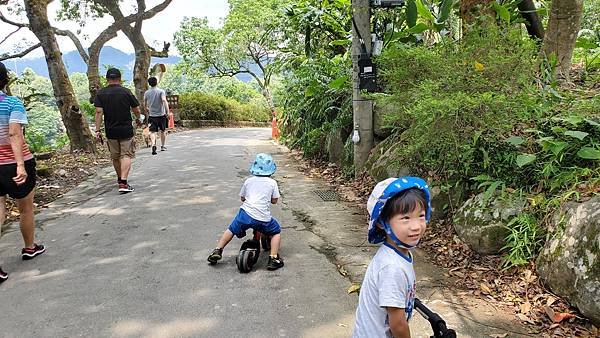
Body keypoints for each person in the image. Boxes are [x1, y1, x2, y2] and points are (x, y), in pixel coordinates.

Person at [352, 177, 432, 338]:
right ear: (382, 222)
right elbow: (398, 325)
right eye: (405, 218)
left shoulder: (400, 253)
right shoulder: (391, 268)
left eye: (421, 216)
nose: (416, 226)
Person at [0, 61, 46, 284]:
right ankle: (29, 247)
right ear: (5, 80)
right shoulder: (11, 103)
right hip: (16, 163)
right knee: (25, 208)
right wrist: (19, 165)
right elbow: (14, 134)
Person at [207, 153, 284, 270]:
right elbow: (274, 201)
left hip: (245, 215)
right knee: (276, 231)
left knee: (231, 229)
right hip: (262, 218)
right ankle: (273, 258)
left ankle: (218, 249)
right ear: (271, 170)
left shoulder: (249, 181)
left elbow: (242, 198)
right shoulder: (272, 183)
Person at [94, 68, 142, 194]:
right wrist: (139, 118)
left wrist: (97, 130)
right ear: (119, 79)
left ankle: (120, 180)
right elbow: (136, 109)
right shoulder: (126, 92)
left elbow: (99, 112)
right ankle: (124, 183)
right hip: (126, 129)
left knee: (115, 157)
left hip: (111, 130)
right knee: (126, 155)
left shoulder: (101, 93)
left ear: (107, 79)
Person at [143, 76, 172, 155]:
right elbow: (164, 100)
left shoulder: (147, 93)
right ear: (156, 82)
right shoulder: (161, 91)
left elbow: (144, 105)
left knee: (152, 132)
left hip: (152, 116)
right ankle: (162, 146)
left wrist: (147, 109)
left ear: (149, 84)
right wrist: (168, 112)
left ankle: (153, 145)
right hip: (161, 115)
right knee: (162, 131)